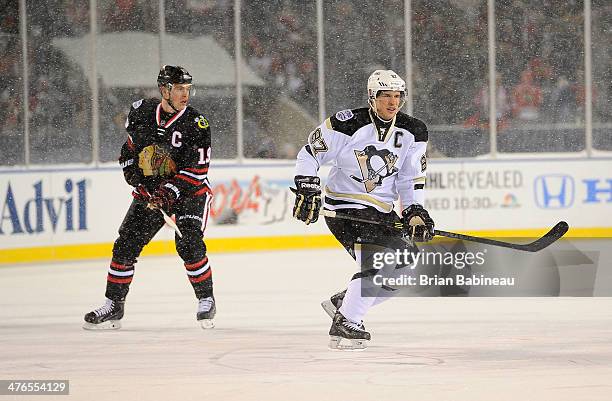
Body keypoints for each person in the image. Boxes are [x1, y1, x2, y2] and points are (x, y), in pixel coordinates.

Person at [292, 70, 435, 350]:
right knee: (379, 262)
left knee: (408, 267)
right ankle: (347, 320)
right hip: (345, 208)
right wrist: (308, 186)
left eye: (398, 96)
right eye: (386, 96)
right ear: (372, 97)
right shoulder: (347, 124)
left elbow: (410, 178)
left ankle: (343, 302)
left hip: (381, 211)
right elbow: (309, 154)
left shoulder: (414, 131)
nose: (393, 102)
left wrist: (415, 211)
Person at [84, 65, 216, 330]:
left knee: (188, 243)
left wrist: (169, 193)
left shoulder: (197, 124)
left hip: (190, 192)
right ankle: (114, 305)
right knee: (126, 245)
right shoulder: (142, 112)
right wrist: (137, 181)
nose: (184, 95)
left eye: (187, 89)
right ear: (164, 89)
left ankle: (206, 298)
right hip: (153, 192)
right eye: (178, 89)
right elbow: (129, 151)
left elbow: (198, 171)